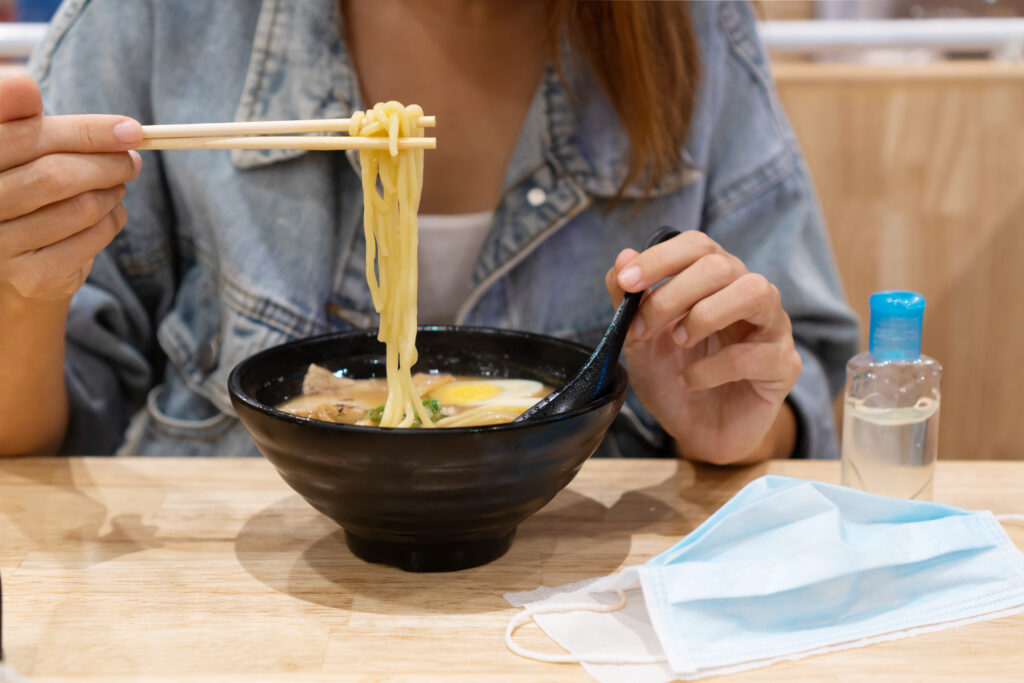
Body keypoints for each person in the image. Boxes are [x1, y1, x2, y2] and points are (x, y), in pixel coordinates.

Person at [0, 0, 858, 462]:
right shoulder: (152, 19)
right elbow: (48, 440)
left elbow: (803, 383)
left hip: (576, 612)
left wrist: (731, 426)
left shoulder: (689, 25)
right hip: (233, 609)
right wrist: (19, 282)